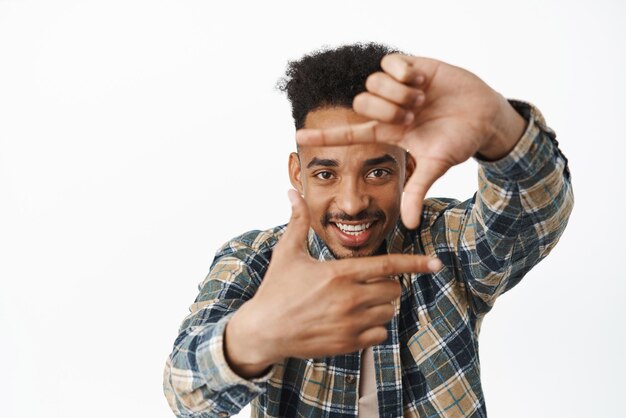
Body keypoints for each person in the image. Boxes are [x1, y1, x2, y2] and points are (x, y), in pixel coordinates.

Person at [163, 43, 573, 418]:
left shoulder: (444, 244)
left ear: (407, 170)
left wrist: (498, 126)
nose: (352, 201)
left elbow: (534, 215)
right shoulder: (256, 260)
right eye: (326, 173)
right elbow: (184, 393)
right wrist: (256, 334)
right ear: (297, 174)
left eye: (377, 171)